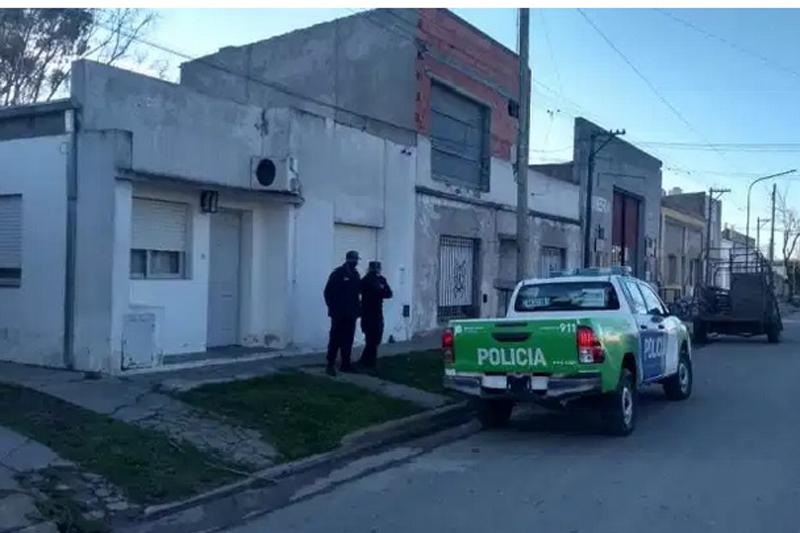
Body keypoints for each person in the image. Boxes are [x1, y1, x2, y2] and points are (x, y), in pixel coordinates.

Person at [324, 250, 362, 376]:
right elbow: (328, 292)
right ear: (348, 259)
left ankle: (345, 364)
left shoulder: (355, 274)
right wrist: (334, 308)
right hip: (339, 314)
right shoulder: (338, 273)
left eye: (356, 260)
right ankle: (330, 364)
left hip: (351, 314)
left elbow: (357, 293)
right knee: (335, 339)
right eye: (354, 260)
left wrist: (358, 309)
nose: (355, 262)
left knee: (348, 339)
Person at [357, 261, 393, 371]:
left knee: (375, 337)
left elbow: (389, 293)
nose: (376, 270)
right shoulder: (366, 280)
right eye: (375, 268)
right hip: (368, 311)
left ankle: (366, 360)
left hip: (376, 311)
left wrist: (381, 290)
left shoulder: (380, 279)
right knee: (372, 337)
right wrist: (380, 289)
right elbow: (376, 291)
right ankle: (369, 361)